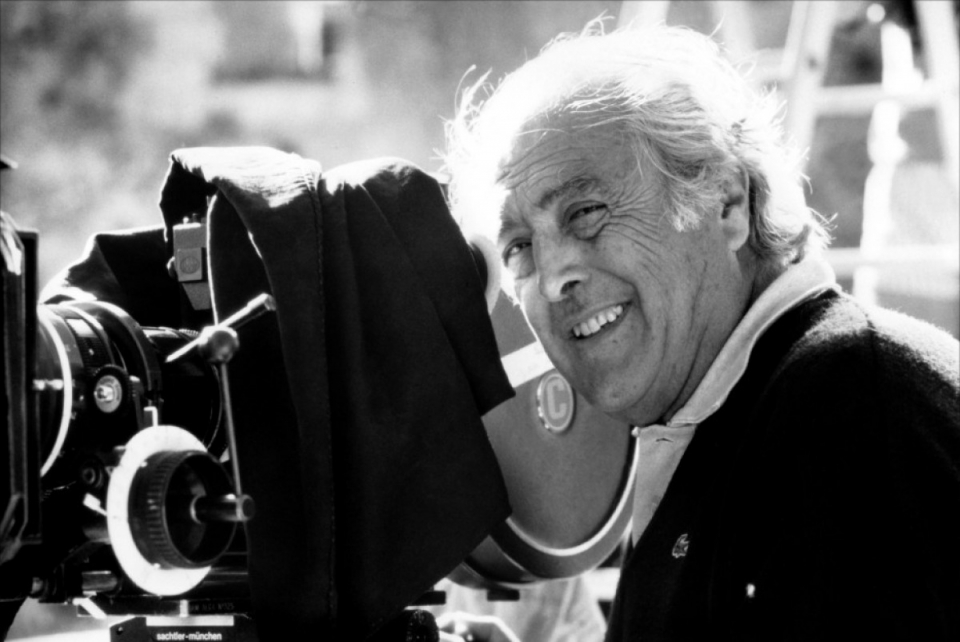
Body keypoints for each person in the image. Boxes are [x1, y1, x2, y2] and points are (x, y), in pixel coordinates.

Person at [439, 21, 960, 642]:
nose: (553, 279)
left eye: (586, 213)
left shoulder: (848, 410)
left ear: (726, 201)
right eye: (520, 247)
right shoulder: (719, 418)